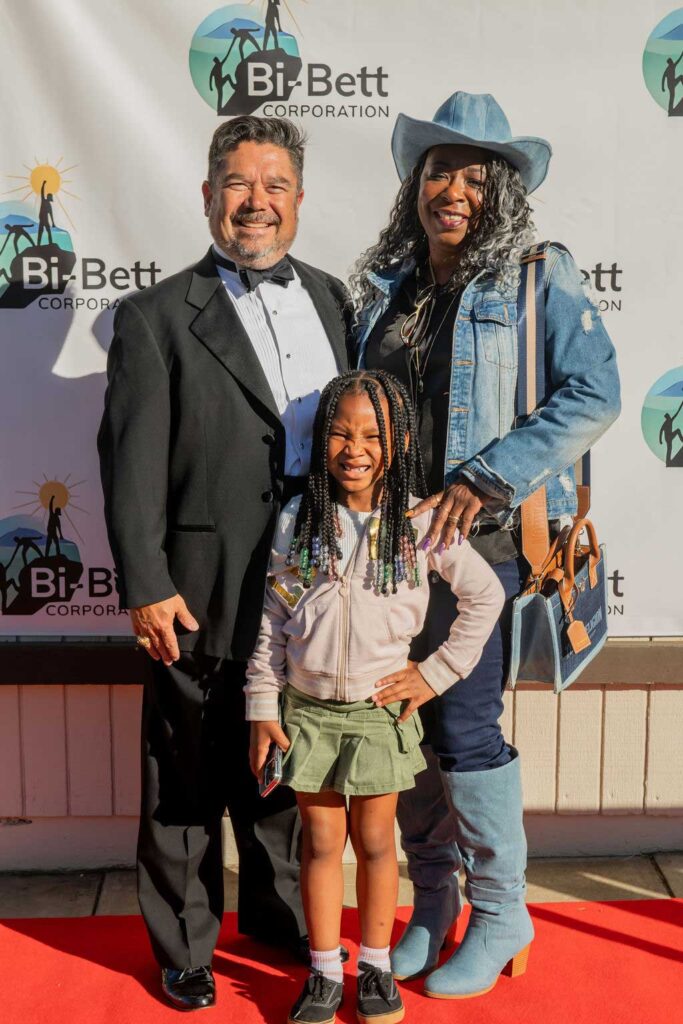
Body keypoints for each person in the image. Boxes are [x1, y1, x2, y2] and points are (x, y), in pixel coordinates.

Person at [352, 92, 621, 999]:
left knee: (465, 728)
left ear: (502, 189)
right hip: (389, 556)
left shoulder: (537, 275)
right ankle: (433, 901)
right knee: (409, 720)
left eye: (475, 173)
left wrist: (482, 478)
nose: (453, 188)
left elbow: (593, 394)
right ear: (414, 183)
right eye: (439, 170)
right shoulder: (388, 282)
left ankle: (502, 908)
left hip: (488, 550)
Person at [98, 115, 352, 1011]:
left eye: (274, 185)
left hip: (315, 587)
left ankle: (285, 923)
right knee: (189, 773)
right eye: (238, 185)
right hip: (201, 588)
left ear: (298, 199)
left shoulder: (333, 299)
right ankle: (184, 946)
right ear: (208, 196)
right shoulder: (154, 316)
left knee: (290, 760)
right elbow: (128, 465)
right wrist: (146, 584)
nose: (257, 203)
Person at [245, 369, 505, 1024]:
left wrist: (435, 673)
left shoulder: (421, 523)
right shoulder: (296, 521)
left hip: (377, 712)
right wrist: (261, 705)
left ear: (398, 443)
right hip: (307, 710)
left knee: (376, 842)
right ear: (319, 439)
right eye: (338, 432)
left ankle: (377, 967)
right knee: (321, 841)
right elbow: (272, 622)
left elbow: (484, 596)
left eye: (371, 435)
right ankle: (326, 972)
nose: (353, 448)